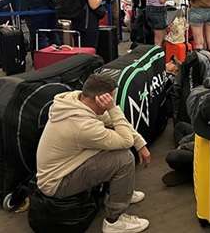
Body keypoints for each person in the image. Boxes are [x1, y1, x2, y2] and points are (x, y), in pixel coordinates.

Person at [36, 74, 151, 233]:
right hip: (58, 182)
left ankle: (121, 192)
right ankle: (114, 221)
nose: (112, 102)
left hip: (67, 165)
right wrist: (113, 109)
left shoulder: (76, 101)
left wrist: (140, 143)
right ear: (100, 99)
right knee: (124, 159)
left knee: (114, 137)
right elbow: (125, 140)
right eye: (111, 99)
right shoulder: (83, 125)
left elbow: (113, 123)